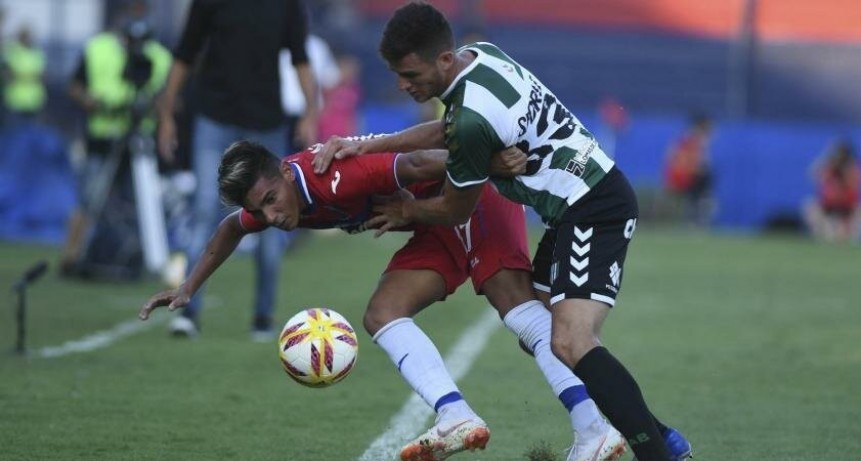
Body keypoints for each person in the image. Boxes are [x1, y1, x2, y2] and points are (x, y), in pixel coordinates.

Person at [312, 3, 691, 461]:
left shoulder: (473, 119)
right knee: (544, 331)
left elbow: (455, 209)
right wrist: (370, 145)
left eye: (410, 74)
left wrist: (407, 209)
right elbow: (447, 130)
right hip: (572, 207)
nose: (403, 84)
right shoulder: (482, 56)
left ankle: (655, 452)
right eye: (397, 74)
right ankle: (655, 435)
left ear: (444, 60)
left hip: (592, 207)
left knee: (571, 340)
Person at [138, 140, 628, 461]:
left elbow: (415, 163)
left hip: (468, 196)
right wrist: (188, 288)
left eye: (270, 200)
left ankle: (593, 429)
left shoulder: (332, 175)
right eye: (259, 210)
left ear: (285, 173)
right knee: (382, 313)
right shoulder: (280, 201)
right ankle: (455, 415)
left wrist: (489, 164)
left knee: (518, 311)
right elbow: (231, 228)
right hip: (433, 221)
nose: (271, 217)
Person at [156, 0, 319, 340]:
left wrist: (310, 113)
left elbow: (301, 58)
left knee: (272, 216)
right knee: (205, 209)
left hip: (266, 122)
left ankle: (263, 316)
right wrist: (167, 114)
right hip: (214, 116)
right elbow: (185, 53)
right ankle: (188, 312)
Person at [60, 4, 171, 278]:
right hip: (102, 136)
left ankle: (143, 258)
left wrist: (155, 107)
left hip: (139, 139)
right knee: (89, 198)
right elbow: (75, 87)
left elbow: (170, 98)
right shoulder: (98, 49)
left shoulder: (160, 57)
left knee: (140, 203)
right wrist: (94, 103)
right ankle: (72, 258)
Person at [803, 138, 860, 242]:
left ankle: (848, 235)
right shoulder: (830, 167)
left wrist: (845, 168)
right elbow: (813, 174)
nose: (839, 158)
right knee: (810, 207)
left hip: (848, 208)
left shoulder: (852, 168)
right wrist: (827, 157)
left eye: (842, 156)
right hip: (828, 206)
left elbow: (851, 183)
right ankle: (825, 234)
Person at [663, 113, 714, 227]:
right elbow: (700, 164)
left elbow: (669, 158)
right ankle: (697, 217)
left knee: (704, 180)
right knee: (705, 178)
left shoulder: (684, 139)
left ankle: (696, 215)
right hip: (685, 177)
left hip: (683, 177)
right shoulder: (696, 141)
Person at [2, 25, 46, 122]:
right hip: (15, 101)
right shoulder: (12, 51)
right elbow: (7, 74)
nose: (28, 38)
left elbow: (42, 74)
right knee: (14, 129)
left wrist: (21, 75)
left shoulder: (37, 52)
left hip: (34, 100)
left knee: (31, 129)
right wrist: (28, 76)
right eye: (25, 36)